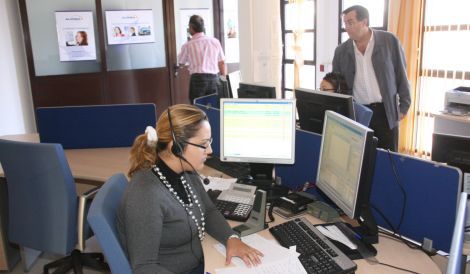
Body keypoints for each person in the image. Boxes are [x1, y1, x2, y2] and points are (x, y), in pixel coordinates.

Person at [117, 104, 263, 274]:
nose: (210, 151)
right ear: (176, 147)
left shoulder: (185, 172)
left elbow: (207, 210)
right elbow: (144, 267)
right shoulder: (145, 195)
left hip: (202, 261)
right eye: (204, 144)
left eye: (210, 142)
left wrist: (230, 238)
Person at [332, 5, 411, 151]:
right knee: (360, 160)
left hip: (385, 111)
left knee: (388, 159)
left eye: (350, 22)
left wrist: (404, 107)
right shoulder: (341, 52)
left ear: (364, 22)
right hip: (358, 113)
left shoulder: (389, 41)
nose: (346, 28)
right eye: (345, 23)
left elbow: (401, 75)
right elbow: (336, 86)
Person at [178, 15, 226, 104]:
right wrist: (224, 80)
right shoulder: (214, 41)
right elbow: (222, 62)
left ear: (191, 27)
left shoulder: (187, 45)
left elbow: (181, 63)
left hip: (197, 80)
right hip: (214, 79)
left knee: (197, 109)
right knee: (213, 107)